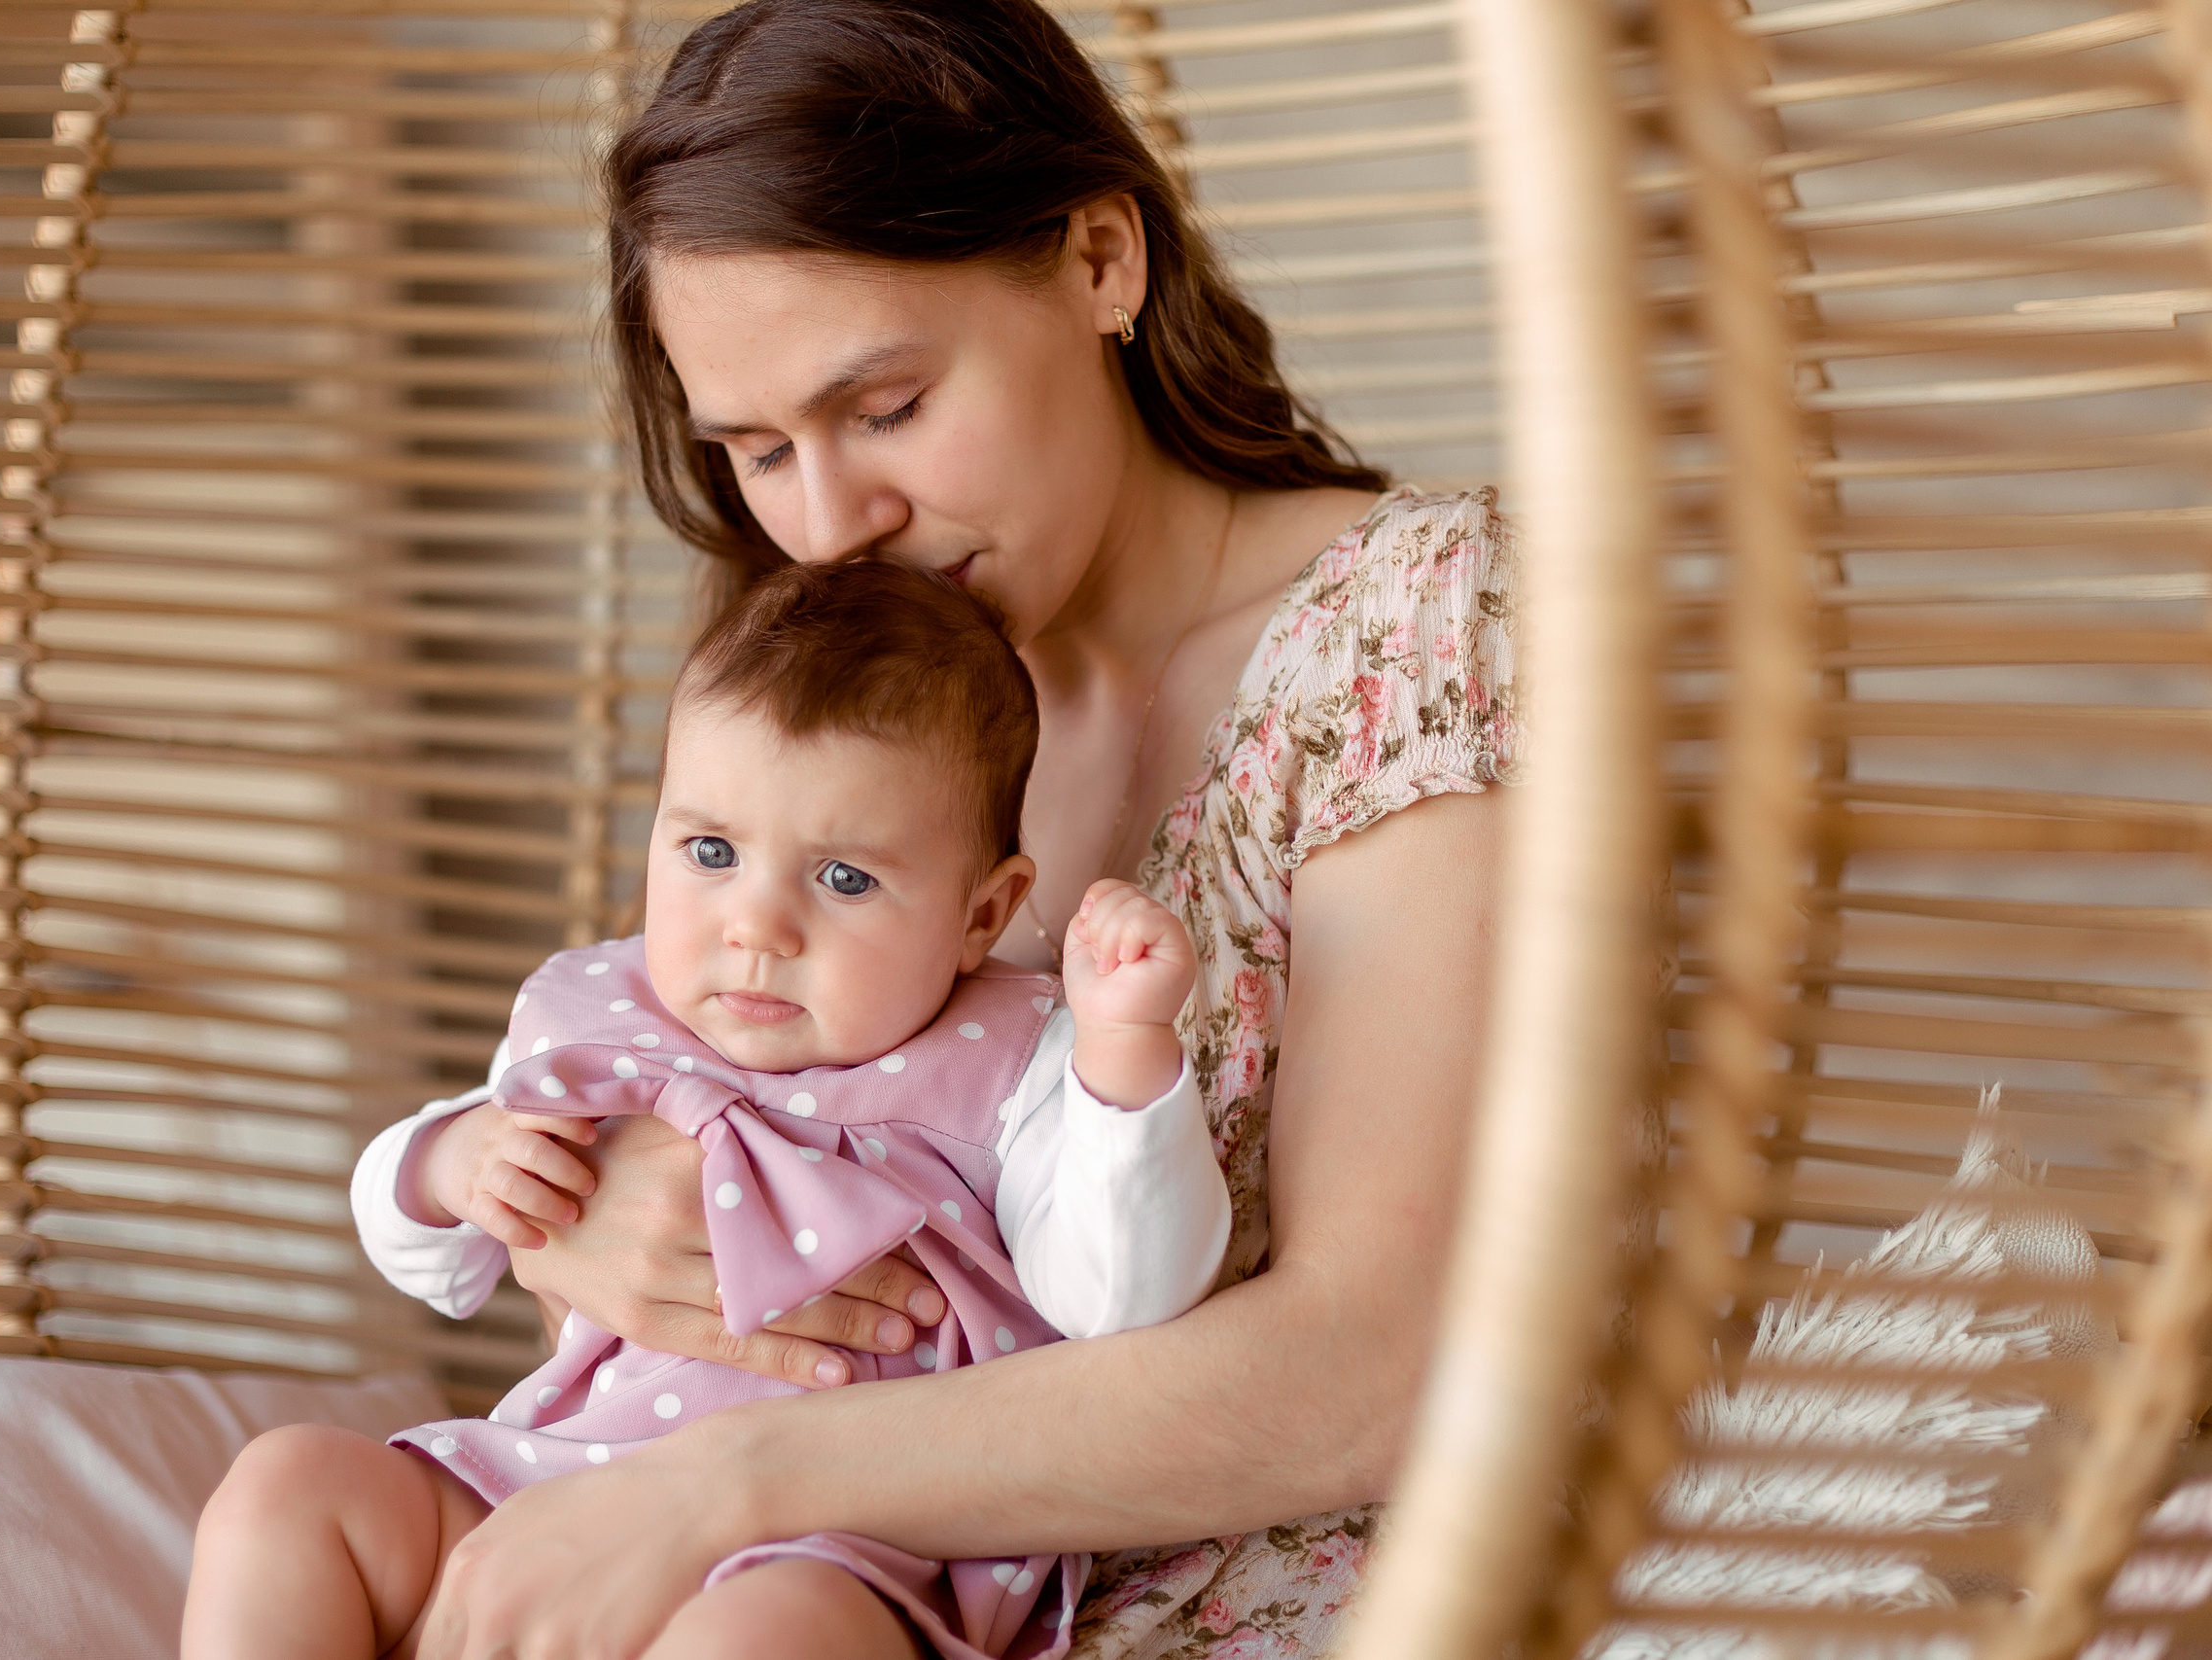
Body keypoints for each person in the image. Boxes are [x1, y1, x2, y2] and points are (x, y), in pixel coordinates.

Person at [388, 1, 1520, 1655]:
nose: (833, 526)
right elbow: (669, 1176)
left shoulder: (1416, 621)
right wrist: (593, 1227)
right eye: (759, 448)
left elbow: (1376, 1368)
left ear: (1098, 260)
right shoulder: (845, 704)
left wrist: (731, 1485)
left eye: (889, 405)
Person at [182, 559, 1232, 1660]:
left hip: (843, 1547)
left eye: (843, 879)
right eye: (712, 853)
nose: (756, 926)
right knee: (289, 1484)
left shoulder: (1010, 1060)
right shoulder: (602, 1013)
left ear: (983, 913)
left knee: (766, 1638)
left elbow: (1125, 1300)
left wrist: (1123, 1058)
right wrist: (452, 1164)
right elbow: (428, 1250)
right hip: (552, 1490)